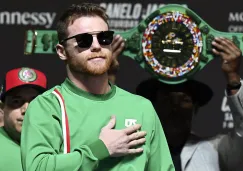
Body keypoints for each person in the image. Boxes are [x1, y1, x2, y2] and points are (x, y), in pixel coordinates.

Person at [21, 3, 174, 171]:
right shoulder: (47, 106)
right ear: (62, 51)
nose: (96, 46)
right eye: (84, 40)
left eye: (104, 38)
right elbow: (37, 168)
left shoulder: (142, 107)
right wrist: (101, 149)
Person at [136, 37, 243, 171]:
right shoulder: (132, 152)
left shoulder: (218, 151)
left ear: (195, 108)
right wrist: (108, 77)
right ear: (154, 106)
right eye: (167, 99)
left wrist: (233, 76)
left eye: (184, 100)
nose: (175, 107)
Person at [0, 67, 47, 171]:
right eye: (16, 101)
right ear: (2, 108)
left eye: (35, 102)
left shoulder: (57, 144)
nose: (26, 109)